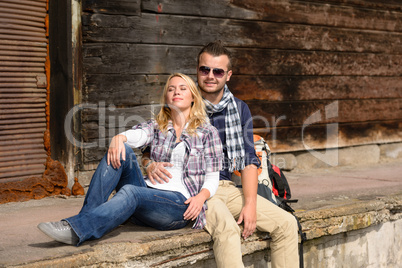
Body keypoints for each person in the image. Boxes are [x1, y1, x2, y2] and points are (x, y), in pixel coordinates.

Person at [144, 42, 299, 268]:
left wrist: (251, 204)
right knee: (228, 230)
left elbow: (248, 160)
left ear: (228, 75)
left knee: (286, 223)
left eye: (217, 71)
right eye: (204, 69)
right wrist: (148, 164)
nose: (210, 76)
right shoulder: (183, 102)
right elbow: (149, 149)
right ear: (197, 70)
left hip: (227, 187)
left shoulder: (238, 108)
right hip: (198, 188)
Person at [37, 73, 223, 246]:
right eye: (171, 88)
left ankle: (77, 230)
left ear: (193, 97)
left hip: (177, 205)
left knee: (130, 192)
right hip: (147, 196)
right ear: (166, 98)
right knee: (122, 150)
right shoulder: (158, 126)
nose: (176, 92)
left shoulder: (207, 132)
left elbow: (213, 177)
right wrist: (120, 138)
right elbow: (140, 134)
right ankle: (84, 220)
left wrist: (200, 198)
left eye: (183, 88)